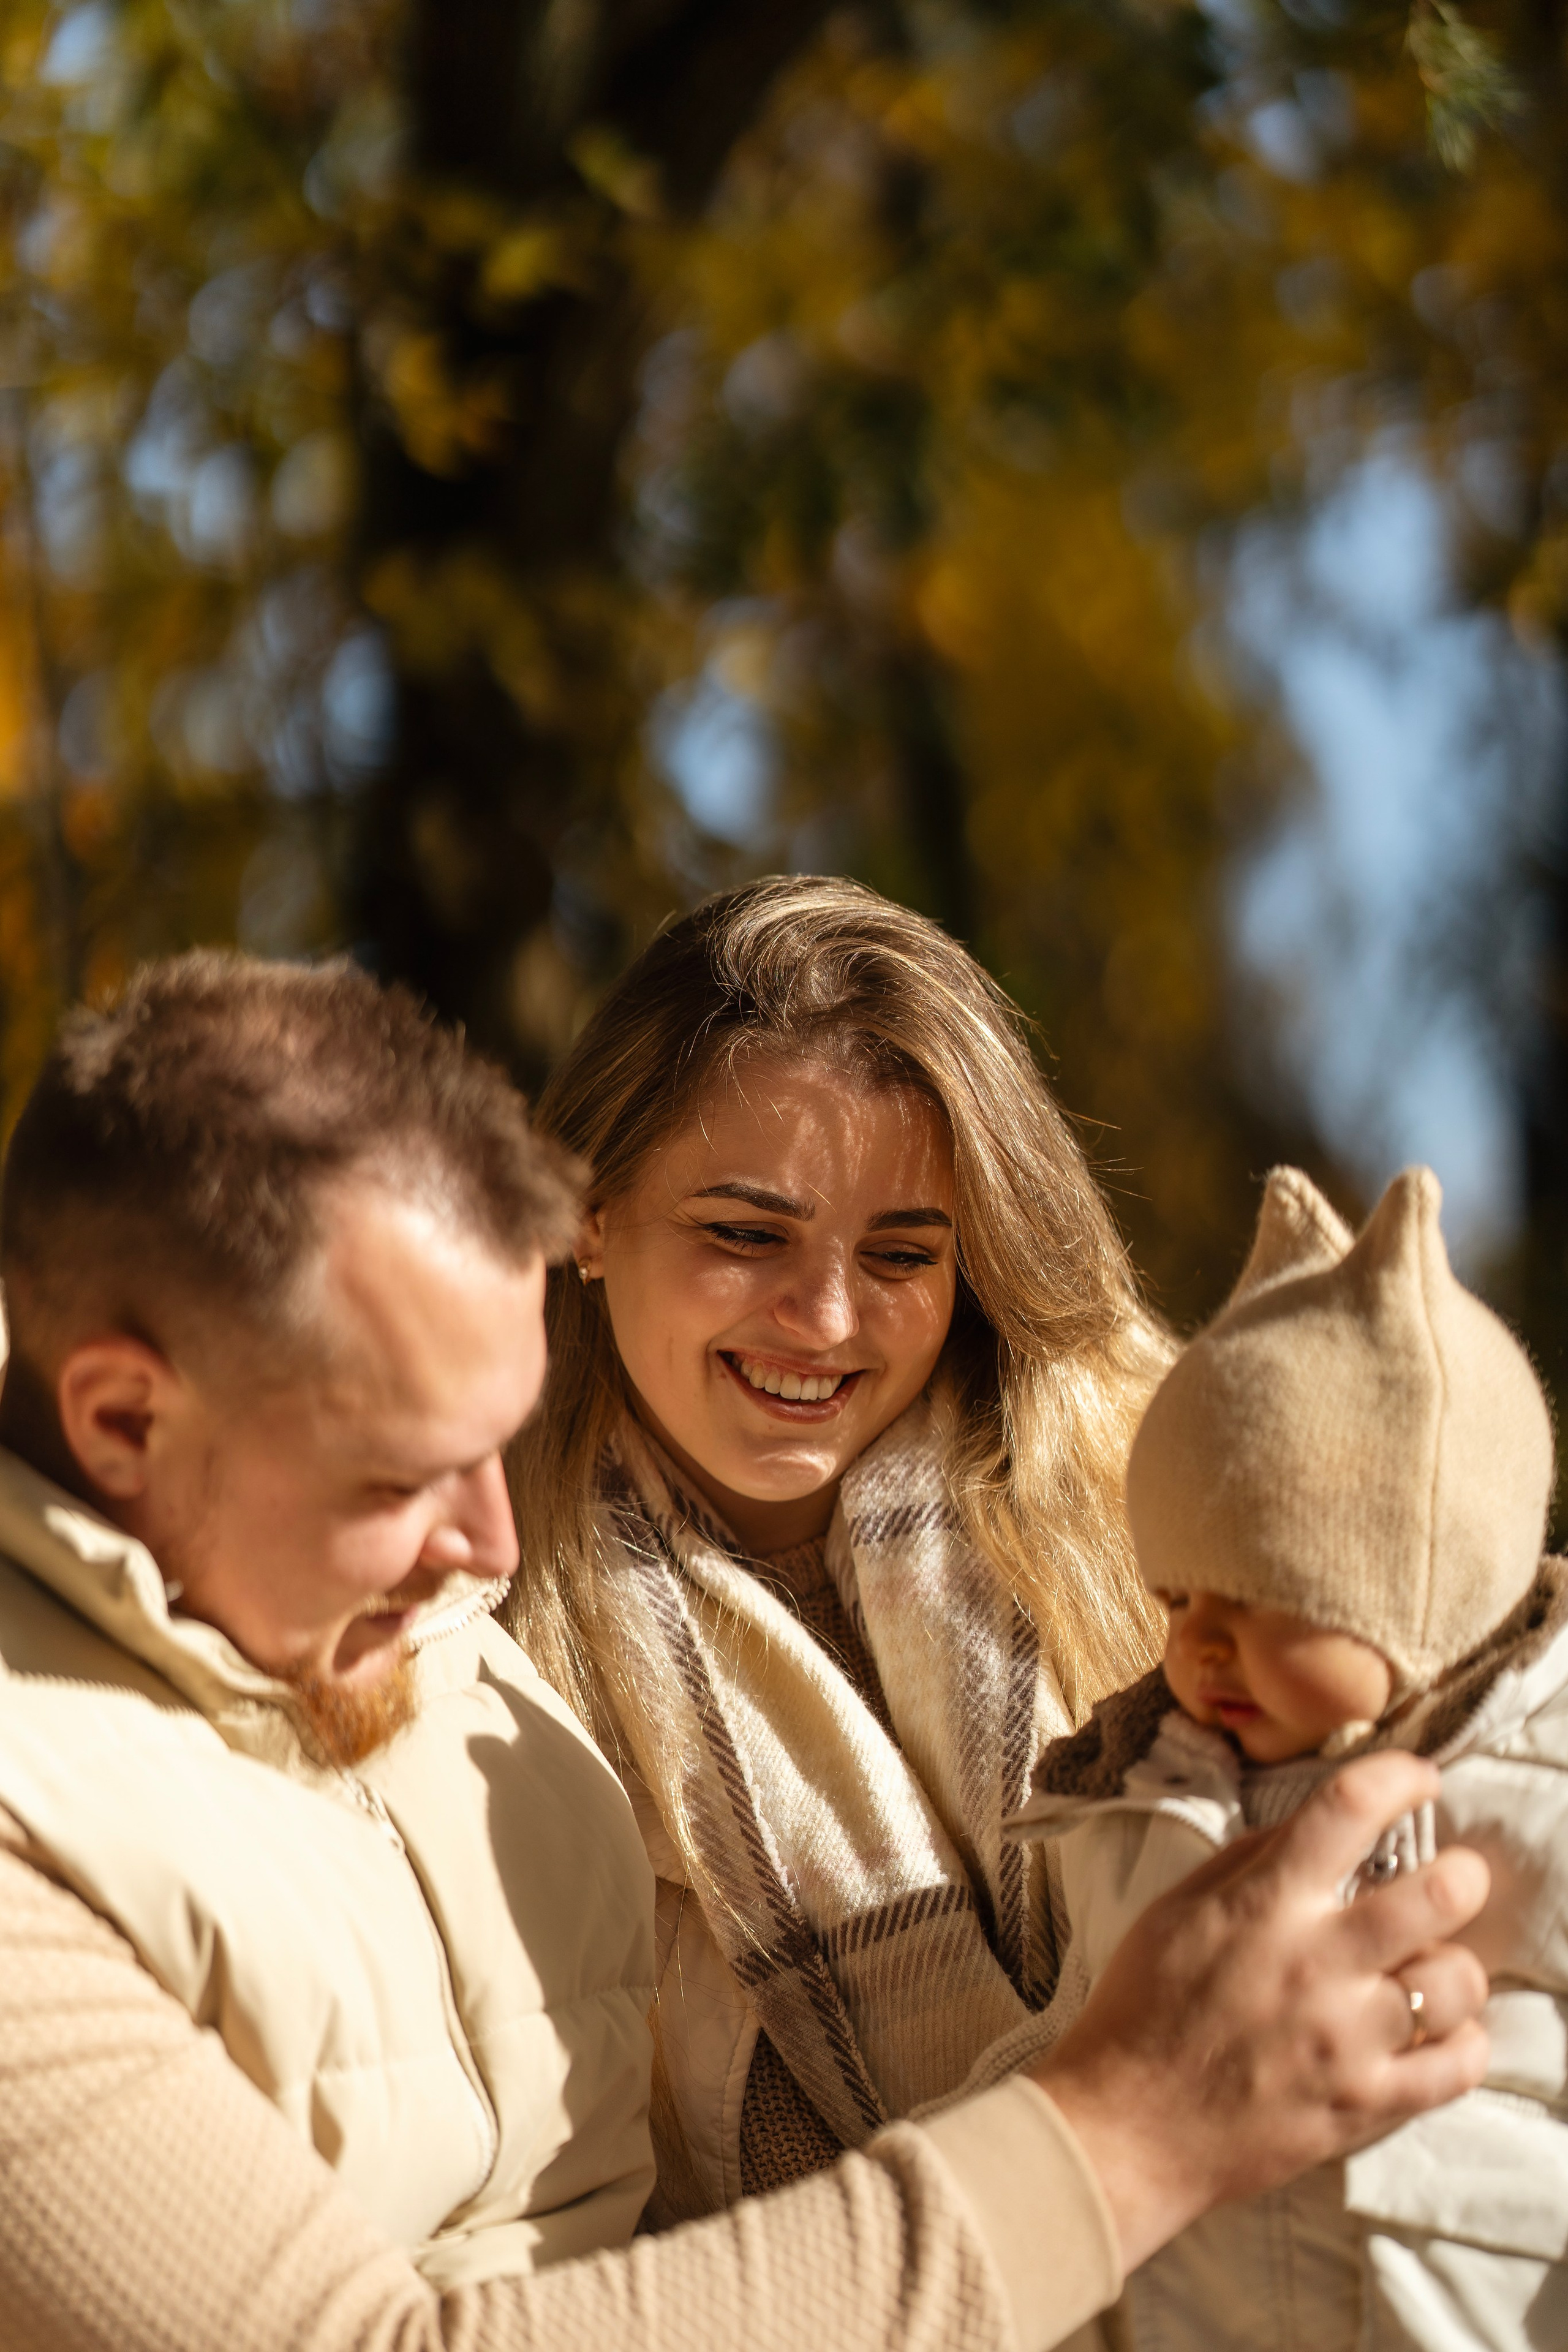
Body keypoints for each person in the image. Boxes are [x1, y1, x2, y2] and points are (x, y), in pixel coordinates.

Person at [0, 948, 1490, 2352]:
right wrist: (1126, 2127)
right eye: (397, 1480)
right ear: (126, 1421)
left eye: (901, 1248)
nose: (491, 1548)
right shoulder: (474, 1648)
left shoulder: (415, 1639)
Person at [502, 876, 1461, 2212]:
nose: (824, 1318)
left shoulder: (1173, 1518)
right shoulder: (465, 1617)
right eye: (743, 1233)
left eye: (898, 1254)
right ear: (588, 1218)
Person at [1008, 1163, 1568, 2351]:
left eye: (1259, 1600)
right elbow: (1066, 2064)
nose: (1198, 1643)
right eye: (1173, 1596)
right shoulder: (1137, 1807)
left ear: (1424, 1593)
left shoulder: (1541, 1795)